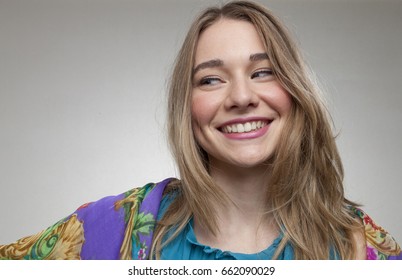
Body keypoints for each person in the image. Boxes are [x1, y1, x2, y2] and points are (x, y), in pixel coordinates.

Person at [0, 0, 400, 260]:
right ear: (186, 106)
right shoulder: (113, 227)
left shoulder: (360, 248)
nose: (241, 96)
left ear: (294, 90)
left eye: (263, 72)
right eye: (211, 80)